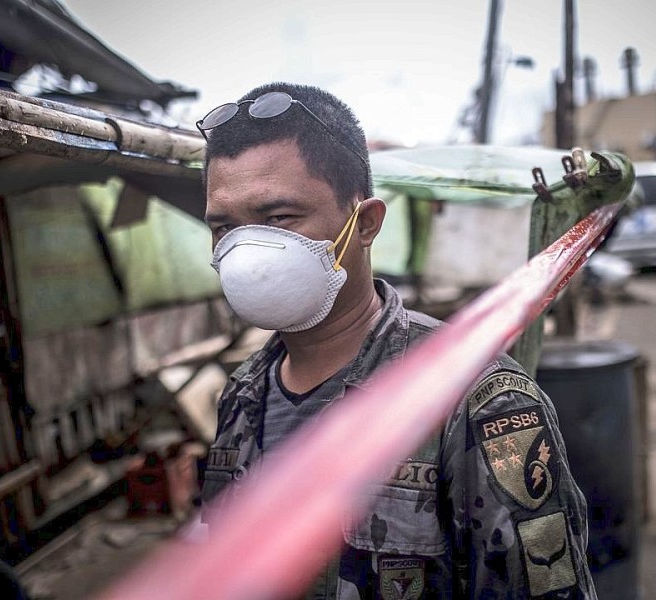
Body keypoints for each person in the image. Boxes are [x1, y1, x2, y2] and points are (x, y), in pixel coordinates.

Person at [197, 82, 597, 599]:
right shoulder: (242, 394)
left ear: (364, 224)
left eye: (279, 218)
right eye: (224, 227)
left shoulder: (475, 401)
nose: (246, 249)